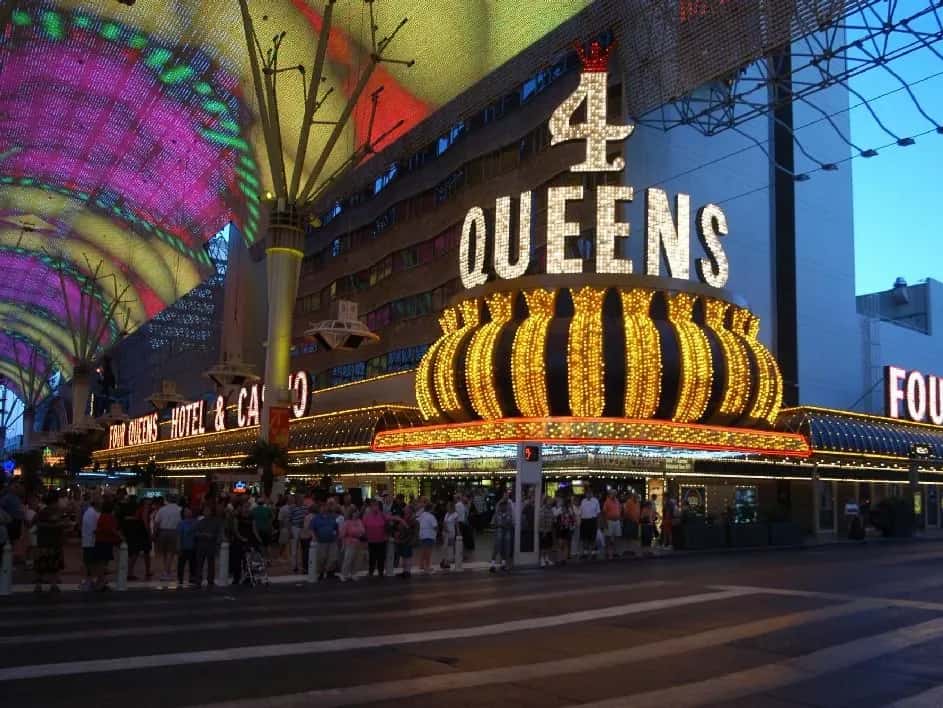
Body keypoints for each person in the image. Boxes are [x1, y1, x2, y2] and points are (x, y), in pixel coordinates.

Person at [33, 491, 66, 592]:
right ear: (54, 502)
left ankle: (49, 584)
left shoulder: (48, 511)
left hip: (49, 542)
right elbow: (38, 523)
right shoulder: (45, 512)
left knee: (47, 564)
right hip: (48, 542)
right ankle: (45, 585)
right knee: (46, 564)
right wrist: (56, 525)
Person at [194, 503, 224, 588]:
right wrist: (204, 535)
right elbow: (195, 533)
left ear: (211, 512)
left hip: (211, 544)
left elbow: (219, 533)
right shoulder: (200, 522)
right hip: (201, 544)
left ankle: (210, 580)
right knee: (199, 563)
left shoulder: (216, 522)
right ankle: (198, 580)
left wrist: (216, 540)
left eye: (208, 510)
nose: (206, 512)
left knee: (211, 563)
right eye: (205, 511)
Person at [94, 500, 122, 591]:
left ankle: (100, 581)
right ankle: (101, 582)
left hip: (101, 541)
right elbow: (111, 529)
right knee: (102, 563)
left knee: (102, 562)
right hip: (105, 541)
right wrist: (120, 537)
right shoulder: (109, 517)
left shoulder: (103, 516)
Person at [153, 495, 182, 581]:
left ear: (167, 500)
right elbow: (181, 522)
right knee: (171, 552)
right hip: (174, 532)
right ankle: (167, 571)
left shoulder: (162, 509)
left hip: (162, 532)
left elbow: (156, 523)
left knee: (164, 553)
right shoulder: (179, 509)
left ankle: (166, 570)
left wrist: (154, 534)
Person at [311, 503, 339, 582]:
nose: (324, 509)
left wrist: (337, 536)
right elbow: (312, 529)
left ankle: (330, 573)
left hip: (332, 541)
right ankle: (321, 573)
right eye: (322, 507)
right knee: (321, 558)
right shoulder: (316, 518)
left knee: (332, 558)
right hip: (321, 541)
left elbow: (336, 528)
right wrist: (314, 537)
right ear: (319, 509)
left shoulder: (332, 517)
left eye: (325, 507)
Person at [362, 498, 389, 578]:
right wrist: (364, 537)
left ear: (378, 506)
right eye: (373, 505)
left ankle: (381, 571)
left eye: (376, 505)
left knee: (381, 557)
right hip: (371, 540)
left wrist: (386, 535)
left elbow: (388, 524)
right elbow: (363, 527)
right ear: (370, 507)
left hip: (381, 540)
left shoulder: (382, 515)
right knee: (372, 557)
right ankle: (371, 571)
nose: (375, 507)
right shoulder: (367, 516)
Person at [490, 492, 514, 573]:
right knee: (497, 546)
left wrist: (508, 522)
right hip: (500, 529)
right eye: (505, 496)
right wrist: (498, 525)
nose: (504, 506)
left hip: (506, 529)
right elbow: (493, 522)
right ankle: (493, 565)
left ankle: (503, 564)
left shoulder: (509, 507)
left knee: (506, 547)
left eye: (507, 496)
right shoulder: (498, 508)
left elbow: (511, 519)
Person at [80, 497, 101, 590]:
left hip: (89, 541)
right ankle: (88, 580)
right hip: (91, 541)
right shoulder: (92, 514)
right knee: (90, 562)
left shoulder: (90, 512)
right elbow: (94, 529)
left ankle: (88, 580)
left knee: (89, 562)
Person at [339, 508, 365, 581]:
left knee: (356, 559)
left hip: (358, 542)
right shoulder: (347, 522)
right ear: (352, 513)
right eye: (355, 512)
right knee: (348, 559)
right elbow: (342, 534)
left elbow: (363, 530)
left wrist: (360, 534)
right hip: (349, 543)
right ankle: (344, 574)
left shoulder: (359, 521)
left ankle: (353, 573)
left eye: (357, 512)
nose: (357, 513)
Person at [392, 505, 418, 578]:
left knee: (407, 557)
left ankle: (407, 572)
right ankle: (405, 571)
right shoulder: (404, 518)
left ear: (410, 510)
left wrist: (403, 524)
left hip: (408, 541)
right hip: (402, 540)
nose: (404, 509)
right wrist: (398, 533)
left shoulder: (413, 520)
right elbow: (400, 528)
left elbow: (412, 531)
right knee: (404, 556)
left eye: (406, 509)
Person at [177, 507, 197, 586]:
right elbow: (179, 536)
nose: (189, 512)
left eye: (189, 511)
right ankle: (180, 578)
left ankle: (192, 577)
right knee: (181, 564)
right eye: (186, 511)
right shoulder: (181, 523)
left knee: (193, 564)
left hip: (193, 546)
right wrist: (179, 546)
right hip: (184, 547)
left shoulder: (195, 522)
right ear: (183, 514)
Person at [579, 489, 601, 560]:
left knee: (593, 538)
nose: (588, 494)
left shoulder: (596, 501)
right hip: (584, 521)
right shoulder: (583, 501)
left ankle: (593, 553)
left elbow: (598, 513)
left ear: (592, 494)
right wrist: (580, 521)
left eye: (589, 493)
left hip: (592, 521)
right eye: (587, 493)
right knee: (585, 538)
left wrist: (598, 524)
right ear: (585, 494)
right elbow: (580, 512)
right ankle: (585, 553)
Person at [554, 496, 576, 565]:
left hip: (566, 529)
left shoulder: (569, 511)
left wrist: (572, 526)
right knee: (560, 544)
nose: (563, 508)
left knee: (565, 544)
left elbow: (573, 519)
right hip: (560, 529)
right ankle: (559, 559)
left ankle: (564, 559)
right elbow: (555, 517)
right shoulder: (559, 511)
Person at [417, 503, 438, 573]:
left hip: (422, 535)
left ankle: (421, 565)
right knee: (428, 552)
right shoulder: (431, 516)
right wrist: (437, 533)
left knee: (423, 551)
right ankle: (427, 566)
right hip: (429, 536)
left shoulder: (422, 515)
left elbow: (417, 519)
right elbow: (435, 527)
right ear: (431, 509)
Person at [602, 489, 623, 560]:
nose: (614, 495)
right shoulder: (607, 501)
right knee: (608, 538)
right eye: (613, 493)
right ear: (610, 494)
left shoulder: (617, 501)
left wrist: (620, 519)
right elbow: (604, 512)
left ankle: (615, 552)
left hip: (617, 521)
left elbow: (619, 510)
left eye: (615, 493)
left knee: (617, 537)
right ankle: (608, 553)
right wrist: (605, 522)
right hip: (609, 521)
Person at [289, 494, 307, 572]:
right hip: (295, 528)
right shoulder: (292, 508)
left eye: (302, 499)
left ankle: (303, 565)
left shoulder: (305, 507)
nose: (301, 500)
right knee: (294, 548)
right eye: (300, 499)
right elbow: (289, 520)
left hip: (303, 528)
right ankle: (294, 566)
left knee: (304, 547)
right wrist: (290, 531)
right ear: (297, 500)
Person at [538, 495, 555, 567]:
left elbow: (552, 518)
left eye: (551, 500)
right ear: (546, 501)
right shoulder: (543, 509)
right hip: (543, 530)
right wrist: (544, 531)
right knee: (543, 546)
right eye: (549, 500)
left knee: (548, 545)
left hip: (549, 530)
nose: (551, 501)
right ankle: (542, 559)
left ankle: (547, 559)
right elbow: (541, 520)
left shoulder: (551, 509)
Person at [441, 501, 458, 569]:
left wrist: (458, 533)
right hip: (445, 532)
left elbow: (457, 525)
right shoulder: (447, 514)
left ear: (451, 507)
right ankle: (445, 560)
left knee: (450, 547)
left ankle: (448, 561)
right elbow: (444, 522)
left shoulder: (455, 514)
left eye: (448, 506)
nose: (446, 507)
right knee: (445, 547)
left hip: (451, 532)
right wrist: (444, 529)